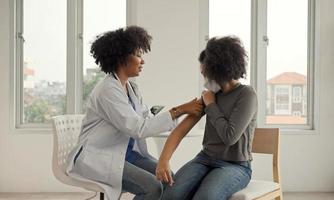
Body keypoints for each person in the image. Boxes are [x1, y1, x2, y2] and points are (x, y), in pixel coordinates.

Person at [65, 26, 203, 200]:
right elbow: (137, 128)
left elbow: (143, 118)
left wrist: (169, 114)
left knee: (168, 179)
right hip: (98, 156)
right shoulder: (107, 90)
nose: (142, 61)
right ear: (122, 58)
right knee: (152, 187)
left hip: (126, 154)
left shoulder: (131, 88)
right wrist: (180, 110)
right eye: (138, 55)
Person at [156, 36, 258, 200]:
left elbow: (230, 137)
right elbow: (181, 130)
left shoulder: (246, 95)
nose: (204, 79)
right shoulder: (210, 95)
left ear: (218, 69)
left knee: (205, 198)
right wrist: (164, 160)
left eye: (205, 74)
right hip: (204, 159)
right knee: (170, 194)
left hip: (235, 166)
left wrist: (211, 105)